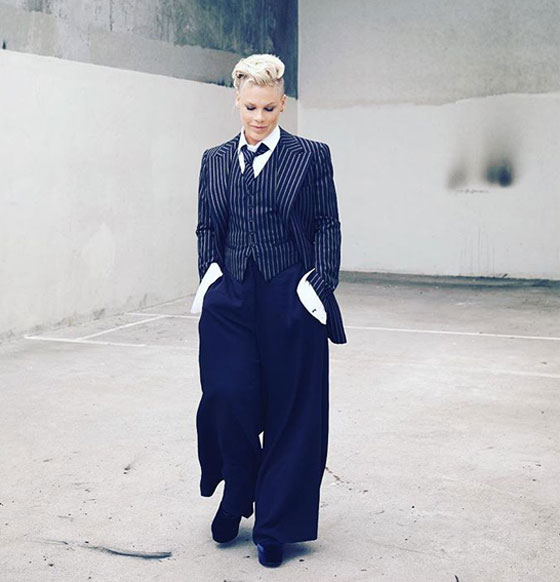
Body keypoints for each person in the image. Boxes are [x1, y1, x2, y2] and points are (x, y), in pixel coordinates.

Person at [191, 53, 347, 568]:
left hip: (290, 293)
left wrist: (318, 285)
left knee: (292, 412)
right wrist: (210, 278)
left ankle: (275, 525)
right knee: (226, 395)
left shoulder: (311, 156)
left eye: (269, 108)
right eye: (250, 107)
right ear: (236, 101)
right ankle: (239, 489)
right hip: (231, 295)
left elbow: (326, 223)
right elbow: (207, 226)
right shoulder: (214, 159)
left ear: (283, 105)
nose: (259, 118)